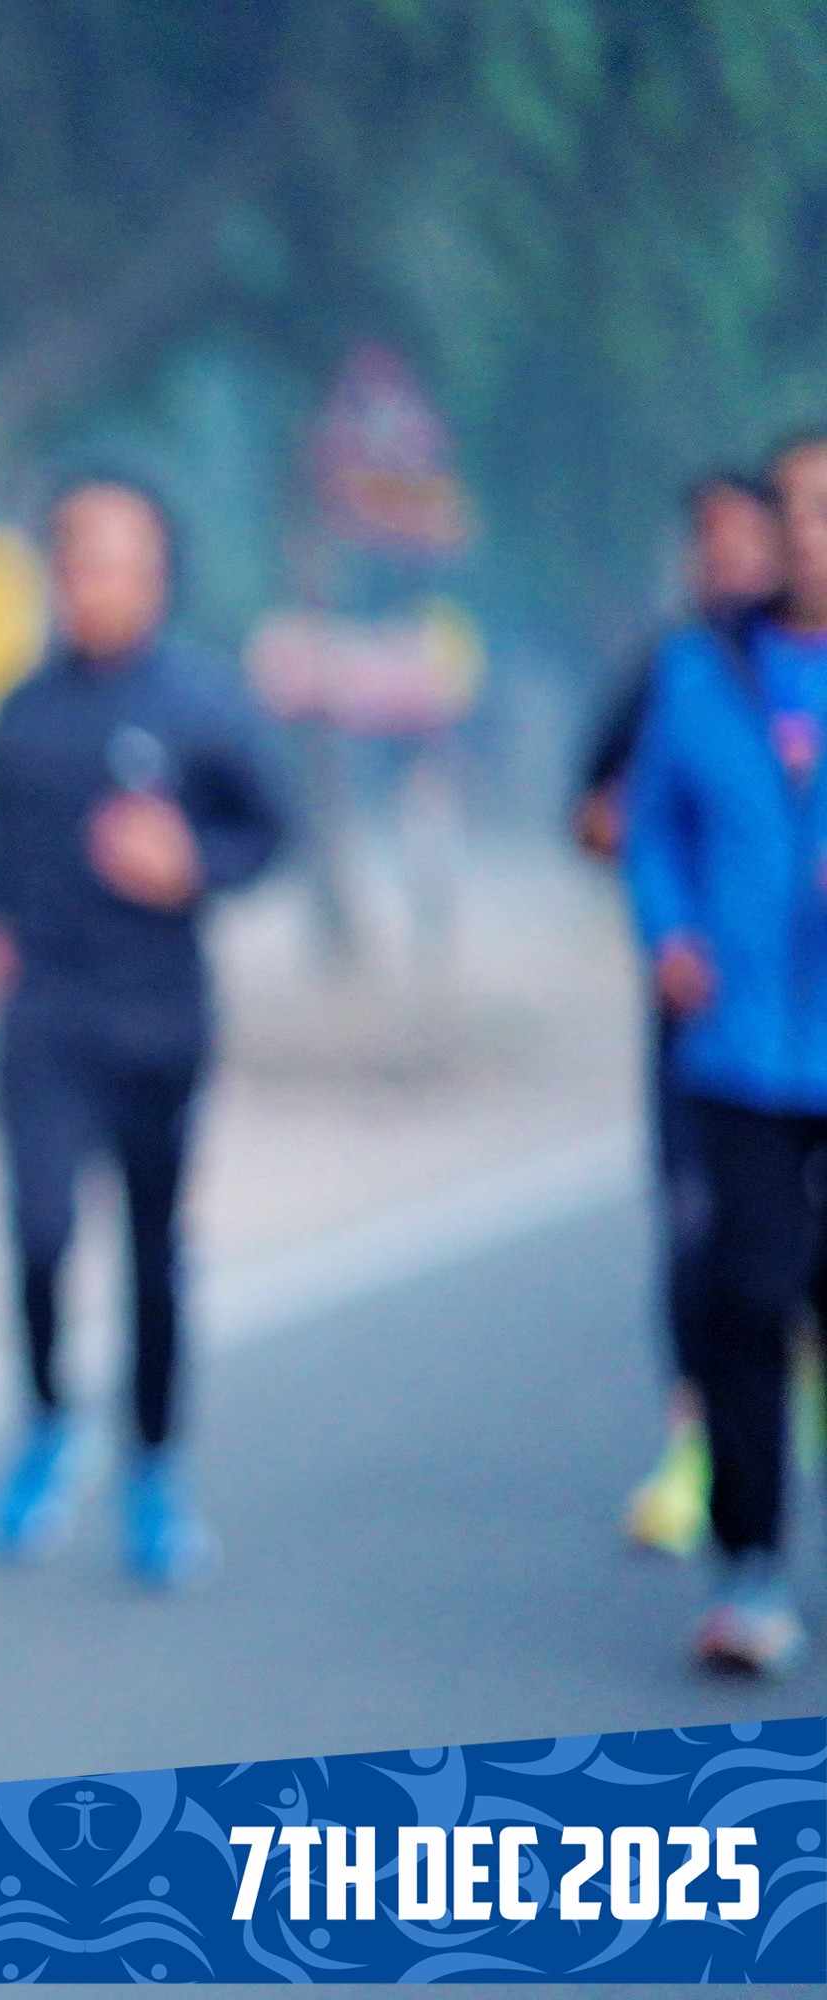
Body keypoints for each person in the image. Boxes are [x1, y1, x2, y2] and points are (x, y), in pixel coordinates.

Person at [0, 478, 287, 1589]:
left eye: (114, 557)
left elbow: (267, 832)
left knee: (154, 1251)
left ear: (156, 572)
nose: (91, 578)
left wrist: (193, 860)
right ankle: (49, 1421)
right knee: (39, 1232)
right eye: (75, 555)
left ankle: (155, 1467)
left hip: (158, 1016)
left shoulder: (203, 706)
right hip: (44, 1018)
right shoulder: (21, 711)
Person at [625, 427, 827, 1675]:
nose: (811, 530)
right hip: (743, 1049)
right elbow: (650, 825)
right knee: (747, 1298)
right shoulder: (699, 672)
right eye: (794, 506)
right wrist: (670, 931)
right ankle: (749, 1567)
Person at [572, 473, 782, 1558]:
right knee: (706, 1243)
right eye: (709, 540)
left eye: (750, 537)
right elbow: (607, 814)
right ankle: (700, 1447)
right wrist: (667, 918)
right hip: (708, 1028)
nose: (728, 559)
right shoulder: (673, 675)